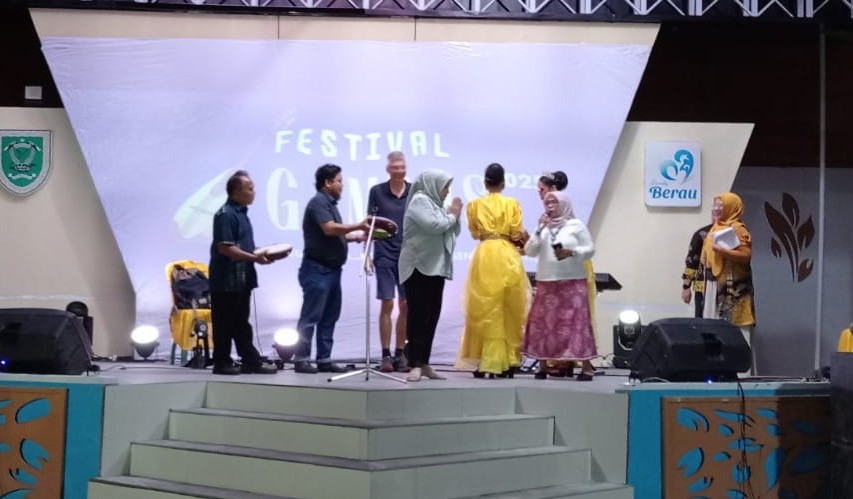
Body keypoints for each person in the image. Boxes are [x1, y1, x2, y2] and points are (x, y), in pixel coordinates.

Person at [293, 164, 370, 374]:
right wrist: (359, 225)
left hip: (333, 271)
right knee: (311, 317)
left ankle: (324, 359)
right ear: (327, 183)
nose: (342, 185)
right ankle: (301, 359)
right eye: (339, 181)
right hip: (317, 270)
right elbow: (329, 229)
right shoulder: (318, 202)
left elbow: (337, 233)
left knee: (329, 317)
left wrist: (358, 236)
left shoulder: (330, 204)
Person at [456, 163, 530, 378]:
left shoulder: (474, 205)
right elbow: (516, 232)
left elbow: (475, 233)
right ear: (503, 183)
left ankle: (486, 360)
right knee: (509, 307)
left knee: (486, 307)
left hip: (486, 255)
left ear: (485, 183)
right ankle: (509, 360)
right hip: (507, 255)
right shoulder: (512, 204)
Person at [209, 170, 278, 376]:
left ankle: (250, 360)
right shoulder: (226, 215)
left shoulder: (241, 214)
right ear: (236, 192)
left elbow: (243, 247)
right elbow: (225, 248)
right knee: (224, 323)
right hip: (226, 280)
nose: (253, 192)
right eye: (250, 189)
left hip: (242, 278)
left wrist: (263, 253)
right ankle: (222, 362)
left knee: (241, 322)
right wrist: (255, 258)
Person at [523, 191, 597, 381]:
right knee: (544, 324)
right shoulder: (543, 227)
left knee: (576, 323)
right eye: (547, 202)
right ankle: (542, 366)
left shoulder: (576, 225)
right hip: (547, 281)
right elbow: (529, 251)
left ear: (564, 204)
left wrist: (572, 252)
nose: (549, 205)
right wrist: (539, 229)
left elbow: (590, 249)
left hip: (573, 281)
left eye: (553, 202)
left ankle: (586, 367)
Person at [398, 170, 462, 382]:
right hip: (418, 267)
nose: (447, 191)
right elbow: (435, 226)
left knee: (431, 317)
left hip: (436, 267)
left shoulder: (436, 204)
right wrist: (453, 215)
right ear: (433, 185)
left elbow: (451, 230)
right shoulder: (420, 200)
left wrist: (452, 217)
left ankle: (424, 363)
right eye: (445, 186)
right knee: (418, 315)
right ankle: (414, 364)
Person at [699, 192, 756, 370]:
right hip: (713, 286)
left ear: (731, 208)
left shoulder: (738, 229)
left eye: (721, 206)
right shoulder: (714, 229)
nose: (716, 209)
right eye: (715, 206)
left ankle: (741, 372)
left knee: (736, 329)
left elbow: (746, 256)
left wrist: (723, 251)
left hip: (733, 289)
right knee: (712, 328)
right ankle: (716, 370)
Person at [367, 151, 410, 373]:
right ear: (388, 169)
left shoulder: (414, 192)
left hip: (408, 256)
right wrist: (367, 255)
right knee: (387, 303)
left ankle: (400, 353)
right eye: (395, 167)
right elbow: (370, 225)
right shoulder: (376, 192)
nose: (399, 171)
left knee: (406, 305)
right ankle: (385, 355)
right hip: (384, 254)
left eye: (402, 167)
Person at [681, 222, 713, 318]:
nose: (716, 216)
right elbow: (691, 261)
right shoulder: (702, 234)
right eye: (714, 214)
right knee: (701, 319)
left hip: (727, 289)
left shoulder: (736, 232)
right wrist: (686, 287)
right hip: (703, 286)